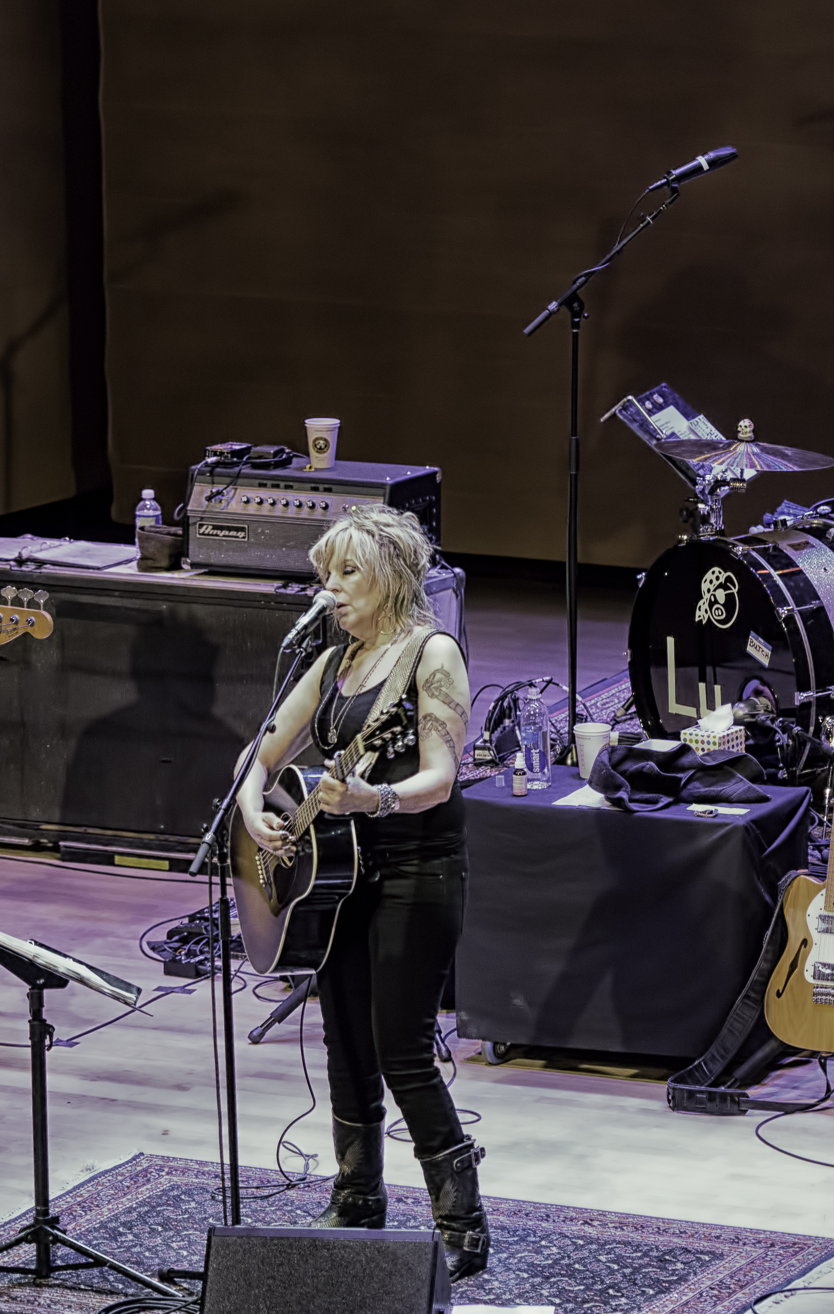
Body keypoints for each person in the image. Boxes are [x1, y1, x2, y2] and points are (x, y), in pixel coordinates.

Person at [236, 505, 483, 1278]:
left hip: (419, 869)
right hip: (337, 879)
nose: (332, 590)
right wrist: (252, 808)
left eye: (348, 574)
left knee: (401, 1050)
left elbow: (440, 781)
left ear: (392, 576)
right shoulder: (334, 658)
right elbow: (263, 752)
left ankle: (463, 1222)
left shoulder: (432, 654)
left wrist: (370, 801)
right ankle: (358, 1196)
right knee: (343, 1040)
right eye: (325, 576)